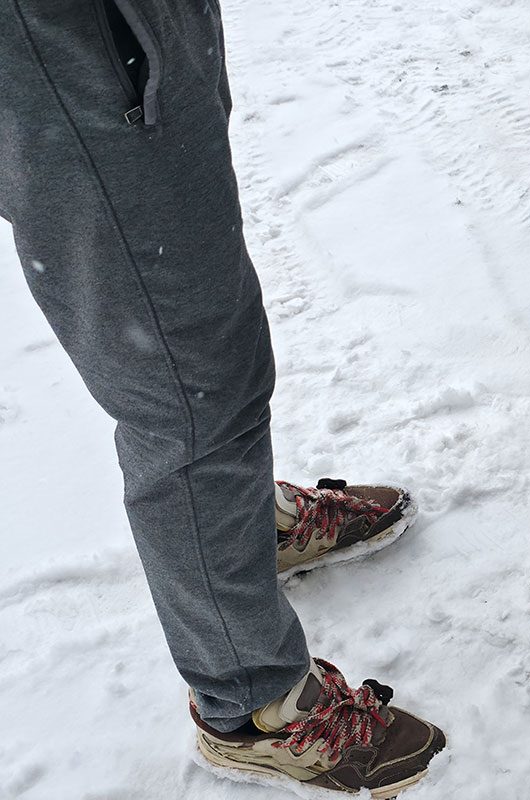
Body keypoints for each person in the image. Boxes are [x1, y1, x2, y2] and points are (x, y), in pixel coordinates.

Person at [0, 0, 445, 795]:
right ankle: (250, 704)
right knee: (185, 388)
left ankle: (236, 536)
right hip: (68, 42)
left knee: (209, 338)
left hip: (136, 32)